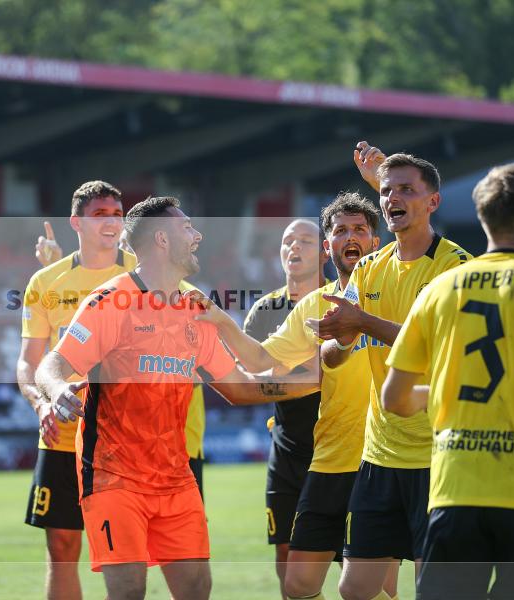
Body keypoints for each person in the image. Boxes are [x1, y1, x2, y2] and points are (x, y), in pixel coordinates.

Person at [35, 196, 319, 600]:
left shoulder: (195, 309)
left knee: (196, 590)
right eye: (187, 228)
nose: (197, 235)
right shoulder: (109, 303)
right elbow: (53, 363)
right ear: (162, 240)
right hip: (114, 478)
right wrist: (58, 389)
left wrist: (314, 381)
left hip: (175, 478)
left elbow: (239, 387)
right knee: (129, 592)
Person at [382, 163, 514, 599]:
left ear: (483, 219)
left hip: (453, 497)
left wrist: (441, 394)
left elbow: (395, 397)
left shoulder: (441, 289)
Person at [196, 195, 398, 600]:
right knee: (298, 584)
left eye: (359, 229)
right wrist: (221, 322)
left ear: (376, 242)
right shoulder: (313, 306)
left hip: (377, 459)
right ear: (330, 247)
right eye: (340, 230)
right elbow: (261, 357)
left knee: (368, 585)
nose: (350, 237)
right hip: (326, 459)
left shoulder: (392, 293)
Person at [307, 143, 471, 600]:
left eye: (405, 189)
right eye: (386, 190)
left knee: (435, 588)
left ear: (432, 201)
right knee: (355, 588)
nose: (392, 198)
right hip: (379, 456)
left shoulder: (456, 267)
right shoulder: (369, 270)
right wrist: (338, 339)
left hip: (438, 457)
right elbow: (335, 355)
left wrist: (362, 324)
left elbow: (442, 346)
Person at [31, 216, 209, 503]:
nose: (125, 255)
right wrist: (55, 271)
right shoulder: (112, 297)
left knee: (176, 543)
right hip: (117, 451)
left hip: (179, 446)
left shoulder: (186, 298)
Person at [18, 181, 137, 600]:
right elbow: (28, 362)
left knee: (120, 553)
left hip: (125, 439)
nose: (111, 222)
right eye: (99, 214)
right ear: (76, 222)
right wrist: (40, 403)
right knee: (62, 547)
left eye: (117, 214)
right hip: (63, 434)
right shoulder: (45, 281)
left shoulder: (143, 272)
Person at [240, 218, 322, 599]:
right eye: (288, 240)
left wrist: (275, 371)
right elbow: (243, 373)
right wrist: (300, 374)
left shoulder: (339, 302)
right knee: (286, 556)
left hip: (339, 447)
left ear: (324, 252)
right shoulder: (265, 309)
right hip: (286, 450)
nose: (294, 247)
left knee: (357, 561)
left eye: (305, 240)